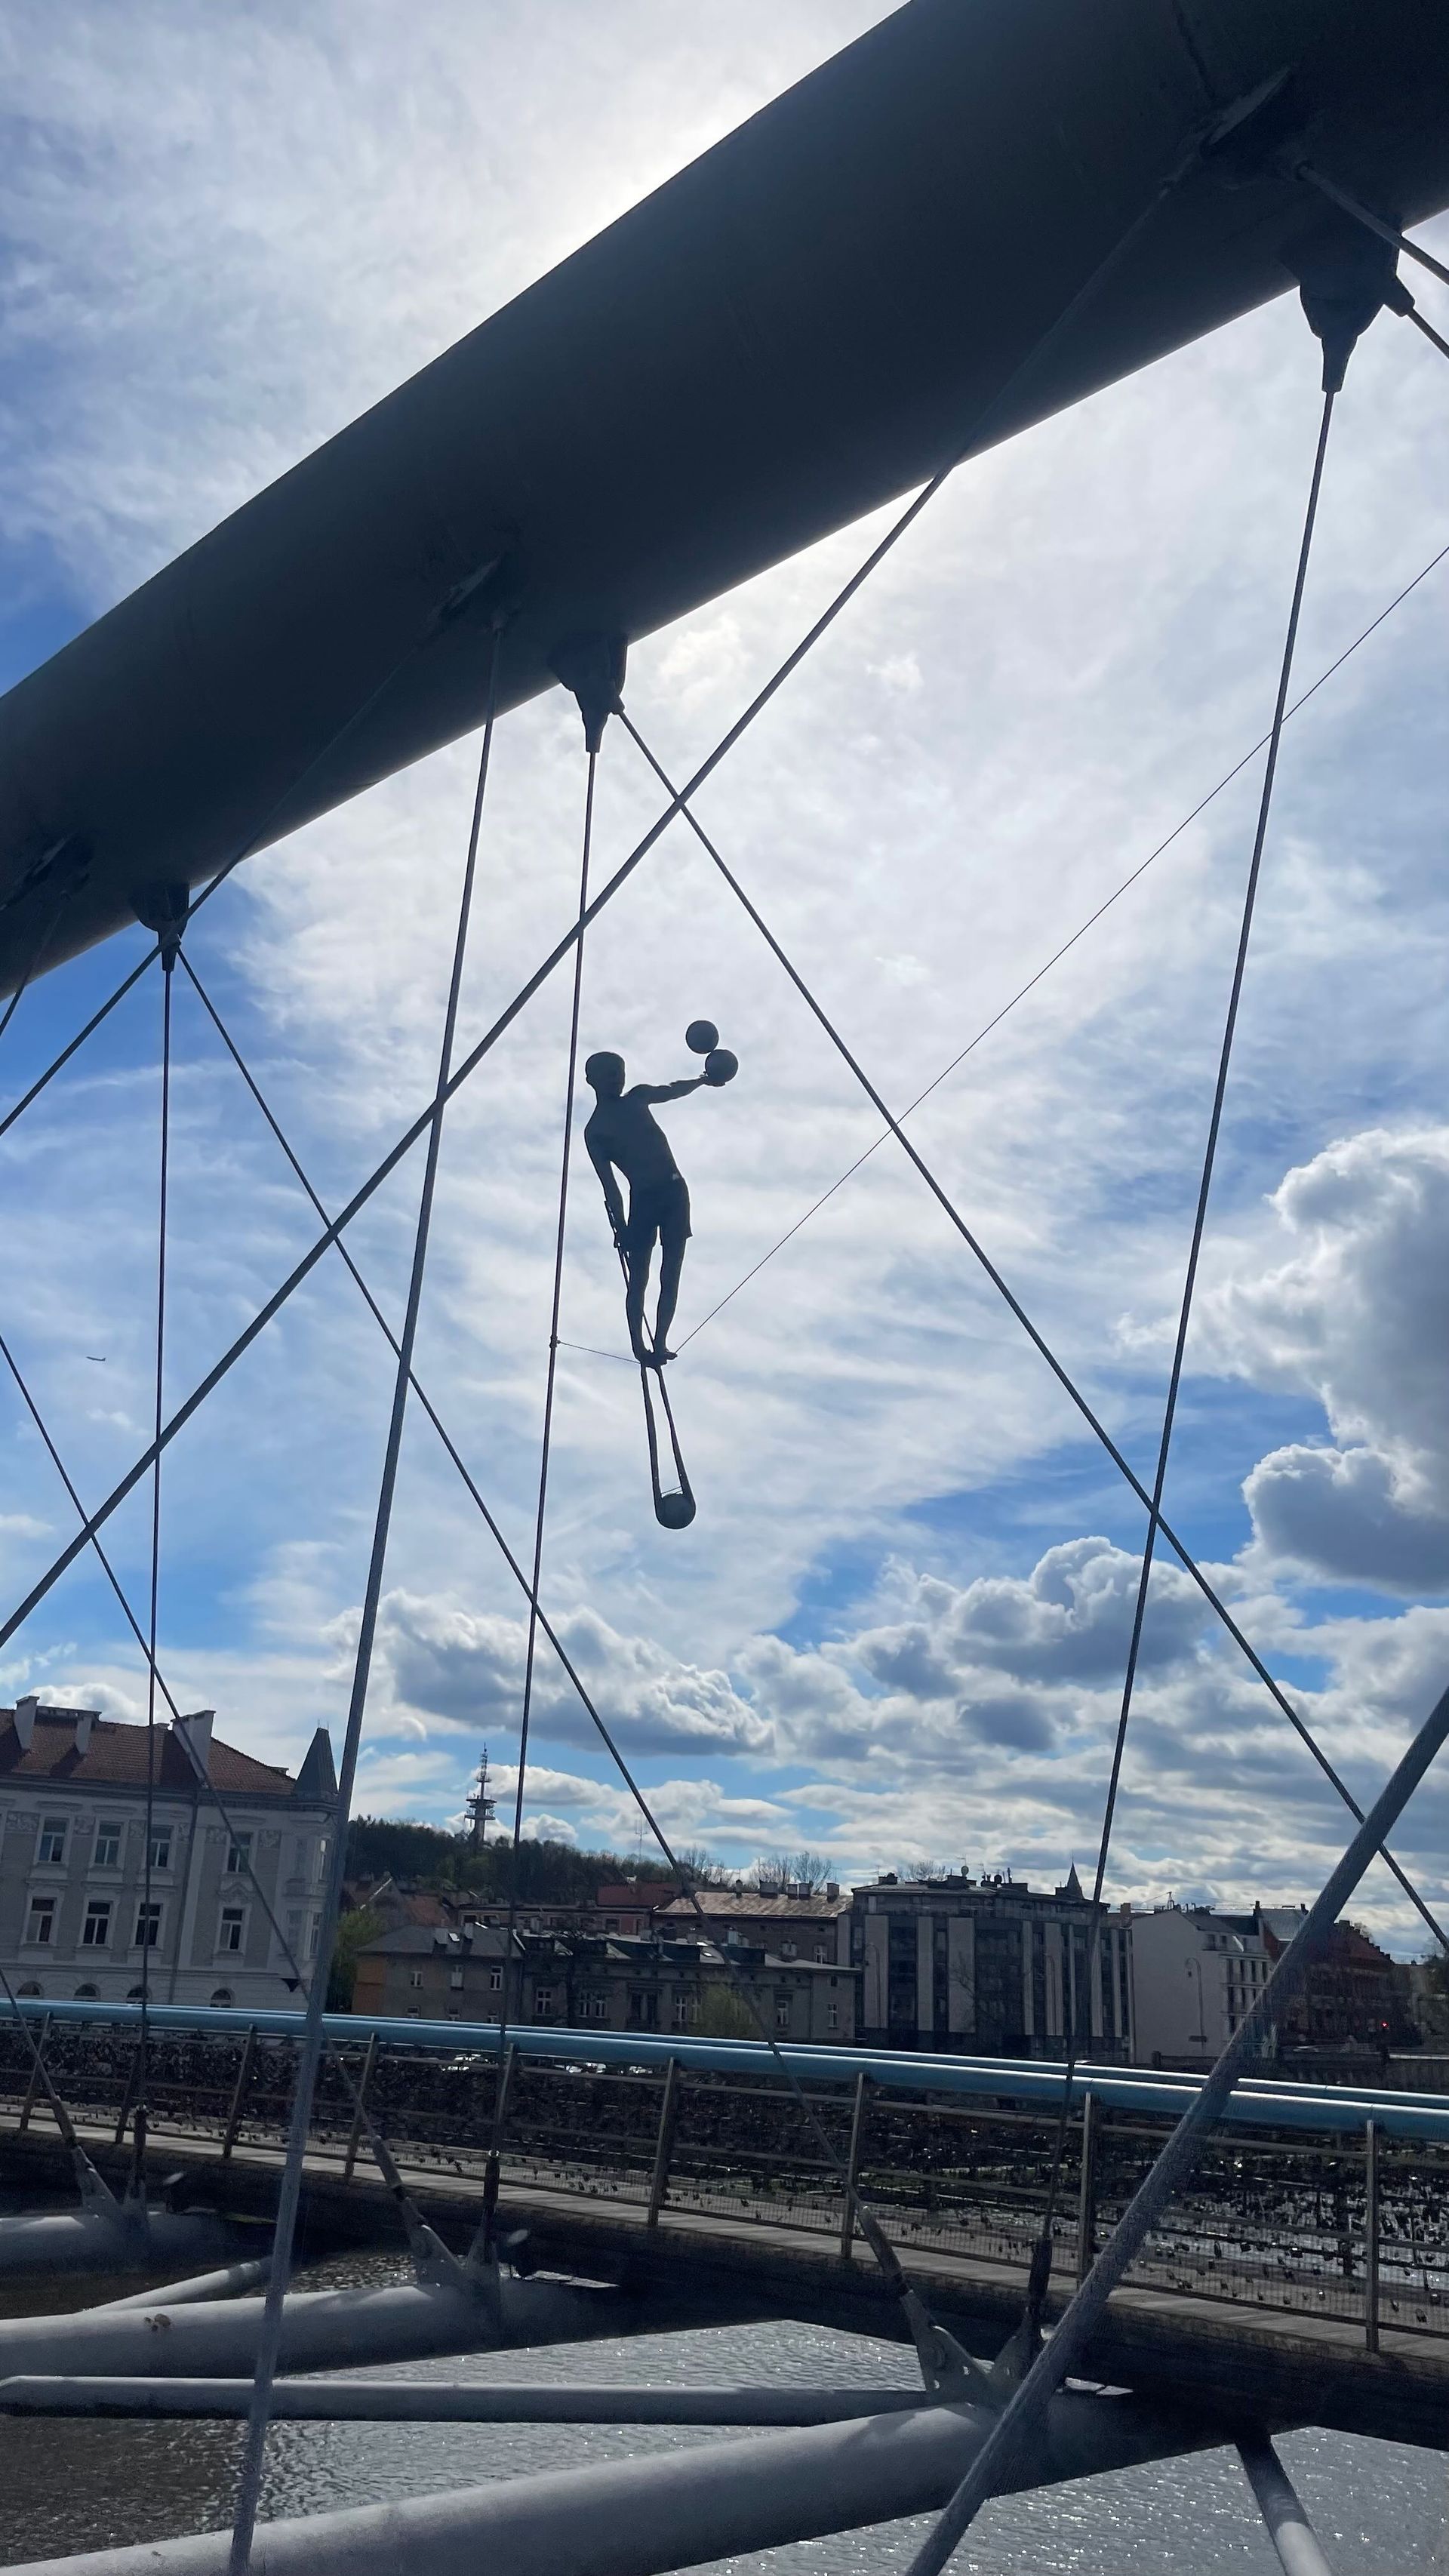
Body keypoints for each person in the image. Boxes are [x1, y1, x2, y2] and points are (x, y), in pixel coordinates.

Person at [583, 1051, 707, 1365]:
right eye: (610, 1074)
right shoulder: (595, 1131)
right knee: (640, 1276)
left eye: (620, 1072)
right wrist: (621, 1227)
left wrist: (702, 1081)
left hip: (674, 1191)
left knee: (671, 1271)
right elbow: (610, 1185)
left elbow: (671, 1090)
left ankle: (661, 1340)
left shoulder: (638, 1098)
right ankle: (639, 1346)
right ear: (592, 1081)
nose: (617, 1079)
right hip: (644, 1197)